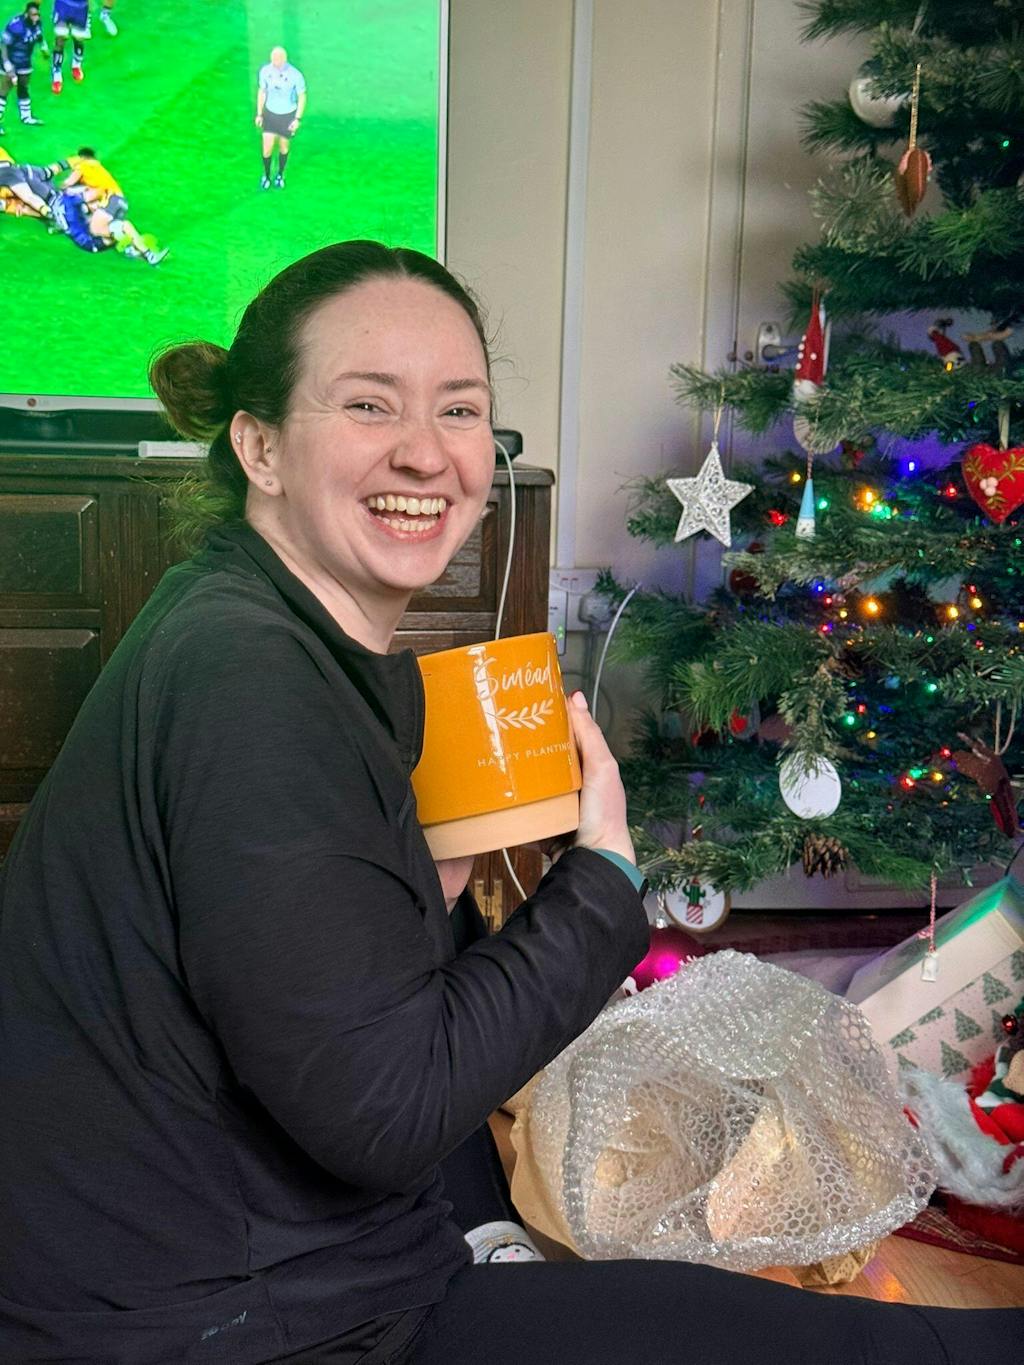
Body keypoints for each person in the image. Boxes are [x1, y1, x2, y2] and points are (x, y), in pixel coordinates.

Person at [0, 241, 1020, 1365]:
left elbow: (307, 984)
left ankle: (491, 1247)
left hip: (231, 1255)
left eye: (460, 409)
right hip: (229, 1321)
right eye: (368, 404)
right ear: (260, 446)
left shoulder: (251, 620)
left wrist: (427, 880)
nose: (425, 452)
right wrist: (604, 876)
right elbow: (384, 1113)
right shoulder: (247, 678)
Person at [52, 182, 166, 261]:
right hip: (91, 242)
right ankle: (149, 256)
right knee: (125, 226)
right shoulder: (74, 200)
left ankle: (130, 248)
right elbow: (92, 197)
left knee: (111, 224)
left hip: (83, 239)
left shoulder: (61, 203)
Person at [255, 43, 305, 189]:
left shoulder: (295, 75)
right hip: (270, 114)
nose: (275, 62)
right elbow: (262, 91)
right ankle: (266, 175)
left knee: (284, 147)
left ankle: (280, 174)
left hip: (287, 116)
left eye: (277, 59)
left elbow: (302, 96)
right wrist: (259, 114)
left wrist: (297, 119)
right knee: (267, 148)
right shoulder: (265, 71)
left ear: (284, 59)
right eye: (273, 59)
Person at [0, 1, 47, 129]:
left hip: (25, 61)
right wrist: (7, 64)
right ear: (26, 14)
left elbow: (38, 35)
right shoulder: (15, 26)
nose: (36, 17)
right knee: (4, 90)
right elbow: (3, 45)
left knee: (23, 87)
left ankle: (26, 117)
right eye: (33, 15)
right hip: (11, 60)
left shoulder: (37, 23)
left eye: (38, 15)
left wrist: (43, 46)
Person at [62, 143, 128, 215]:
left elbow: (68, 183)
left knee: (70, 192)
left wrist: (60, 189)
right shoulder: (99, 167)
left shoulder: (83, 165)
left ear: (82, 157)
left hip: (109, 198)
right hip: (119, 198)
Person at [50, 0, 91, 93]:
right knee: (60, 38)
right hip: (63, 5)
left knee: (78, 38)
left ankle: (76, 65)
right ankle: (57, 75)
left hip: (81, 8)